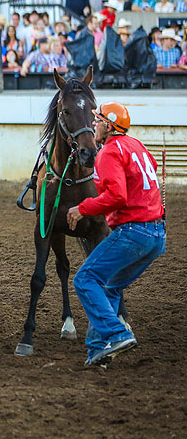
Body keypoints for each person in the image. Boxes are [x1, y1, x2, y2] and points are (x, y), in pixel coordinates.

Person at [66, 103, 166, 367]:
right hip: (157, 234)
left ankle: (117, 333)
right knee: (109, 285)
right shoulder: (136, 145)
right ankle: (98, 350)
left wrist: (82, 208)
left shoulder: (109, 151)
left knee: (85, 279)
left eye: (98, 120)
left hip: (134, 232)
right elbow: (151, 169)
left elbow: (117, 196)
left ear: (109, 126)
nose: (94, 124)